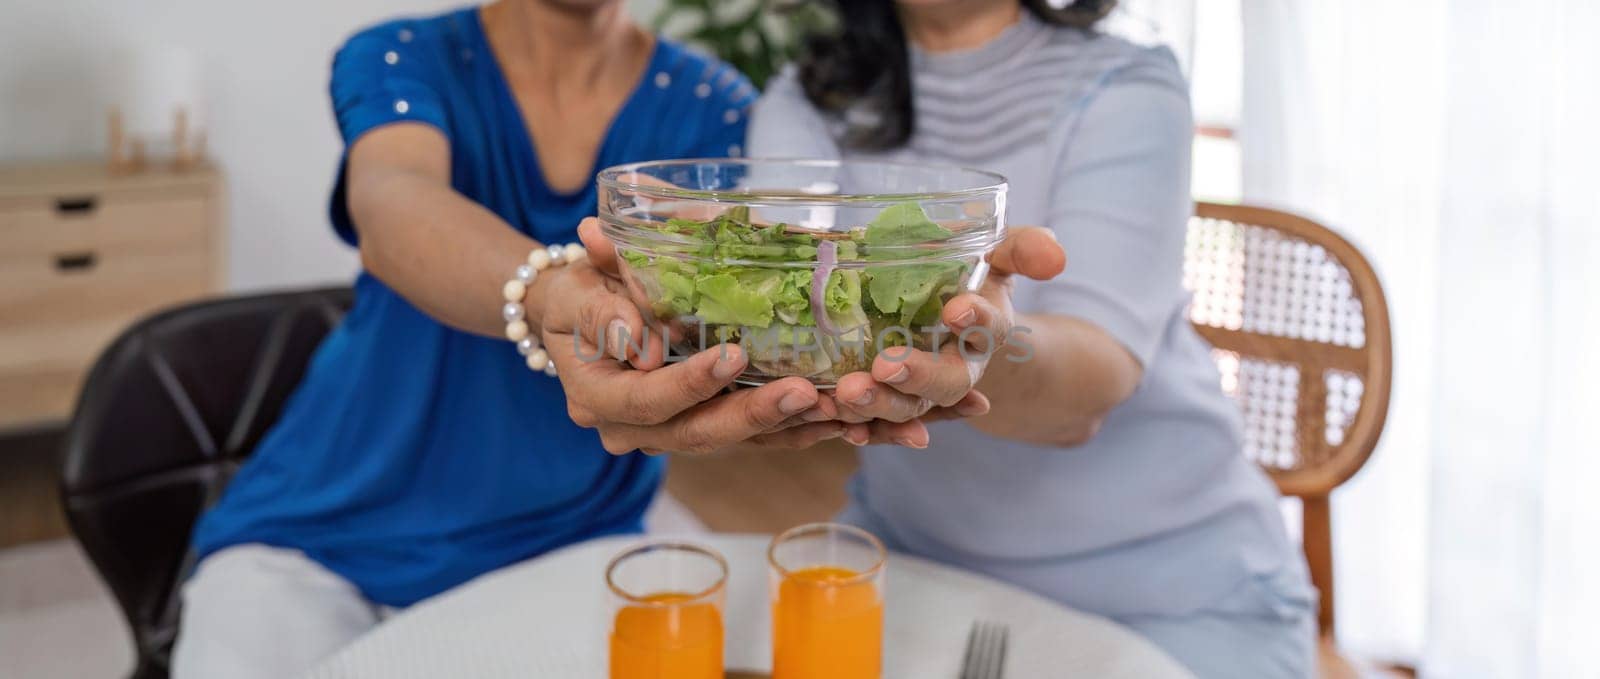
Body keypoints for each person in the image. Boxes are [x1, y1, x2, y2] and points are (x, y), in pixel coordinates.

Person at [172, 2, 848, 676]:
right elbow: (390, 201)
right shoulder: (403, 55)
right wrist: (549, 291)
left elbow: (734, 296)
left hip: (581, 529)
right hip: (329, 536)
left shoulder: (714, 103)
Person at [741, 0, 1318, 676]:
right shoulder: (811, 96)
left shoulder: (1125, 84)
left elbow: (1091, 385)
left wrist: (979, 349)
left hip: (1168, 589)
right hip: (913, 556)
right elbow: (774, 297)